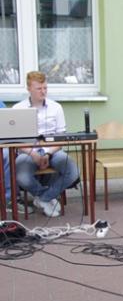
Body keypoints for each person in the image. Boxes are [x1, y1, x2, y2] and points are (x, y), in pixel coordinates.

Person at [13, 71, 80, 218]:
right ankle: (47, 197)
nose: (43, 91)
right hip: (28, 152)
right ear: (29, 88)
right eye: (39, 88)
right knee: (21, 176)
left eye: (45, 88)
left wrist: (49, 153)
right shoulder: (18, 108)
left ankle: (43, 199)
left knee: (73, 171)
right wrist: (33, 154)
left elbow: (61, 138)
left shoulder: (56, 107)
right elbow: (15, 141)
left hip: (53, 150)